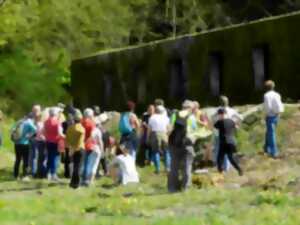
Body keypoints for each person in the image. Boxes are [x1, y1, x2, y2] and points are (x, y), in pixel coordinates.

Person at [168, 100, 197, 192]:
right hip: (187, 144)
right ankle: (185, 188)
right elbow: (194, 131)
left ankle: (172, 188)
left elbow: (169, 129)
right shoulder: (192, 117)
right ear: (190, 108)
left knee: (174, 167)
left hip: (174, 144)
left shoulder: (174, 115)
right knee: (187, 166)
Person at [213, 96, 243, 172]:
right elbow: (241, 117)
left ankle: (220, 168)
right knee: (228, 154)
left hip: (219, 133)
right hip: (229, 132)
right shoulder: (231, 110)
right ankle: (227, 168)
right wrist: (235, 123)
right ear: (227, 102)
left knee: (219, 152)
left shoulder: (217, 110)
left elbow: (212, 118)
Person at [81, 109, 103, 186]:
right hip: (89, 144)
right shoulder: (91, 123)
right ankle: (86, 179)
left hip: (82, 143)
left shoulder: (82, 122)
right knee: (88, 163)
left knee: (84, 162)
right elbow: (92, 135)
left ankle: (83, 178)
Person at [11, 114, 36, 180]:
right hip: (25, 144)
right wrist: (29, 135)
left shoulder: (19, 122)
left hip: (17, 144)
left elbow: (12, 129)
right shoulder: (29, 122)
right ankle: (25, 175)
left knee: (17, 159)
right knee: (26, 160)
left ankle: (15, 175)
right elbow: (35, 129)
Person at [263, 80, 284, 158]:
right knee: (269, 132)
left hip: (270, 115)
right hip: (277, 115)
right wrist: (279, 113)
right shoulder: (277, 94)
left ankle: (274, 152)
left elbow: (267, 106)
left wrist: (266, 114)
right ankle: (266, 148)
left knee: (271, 133)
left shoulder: (266, 95)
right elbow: (280, 104)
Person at [148, 105, 171, 174]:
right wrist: (168, 135)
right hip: (164, 134)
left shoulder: (152, 117)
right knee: (166, 152)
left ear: (156, 111)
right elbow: (169, 128)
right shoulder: (166, 118)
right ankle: (167, 168)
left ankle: (157, 169)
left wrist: (148, 137)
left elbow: (149, 129)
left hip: (155, 134)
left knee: (155, 152)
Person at [66, 110, 85, 189]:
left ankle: (72, 182)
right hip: (80, 148)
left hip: (72, 148)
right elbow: (80, 140)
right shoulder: (81, 129)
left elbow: (67, 139)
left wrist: (71, 148)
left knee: (75, 166)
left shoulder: (70, 128)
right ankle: (76, 184)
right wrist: (75, 148)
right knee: (78, 167)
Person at [44, 108, 63, 181]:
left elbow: (44, 131)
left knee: (49, 157)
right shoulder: (57, 122)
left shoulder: (46, 122)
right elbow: (60, 133)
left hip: (48, 141)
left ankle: (48, 173)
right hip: (55, 141)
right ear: (55, 114)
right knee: (54, 158)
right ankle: (53, 173)